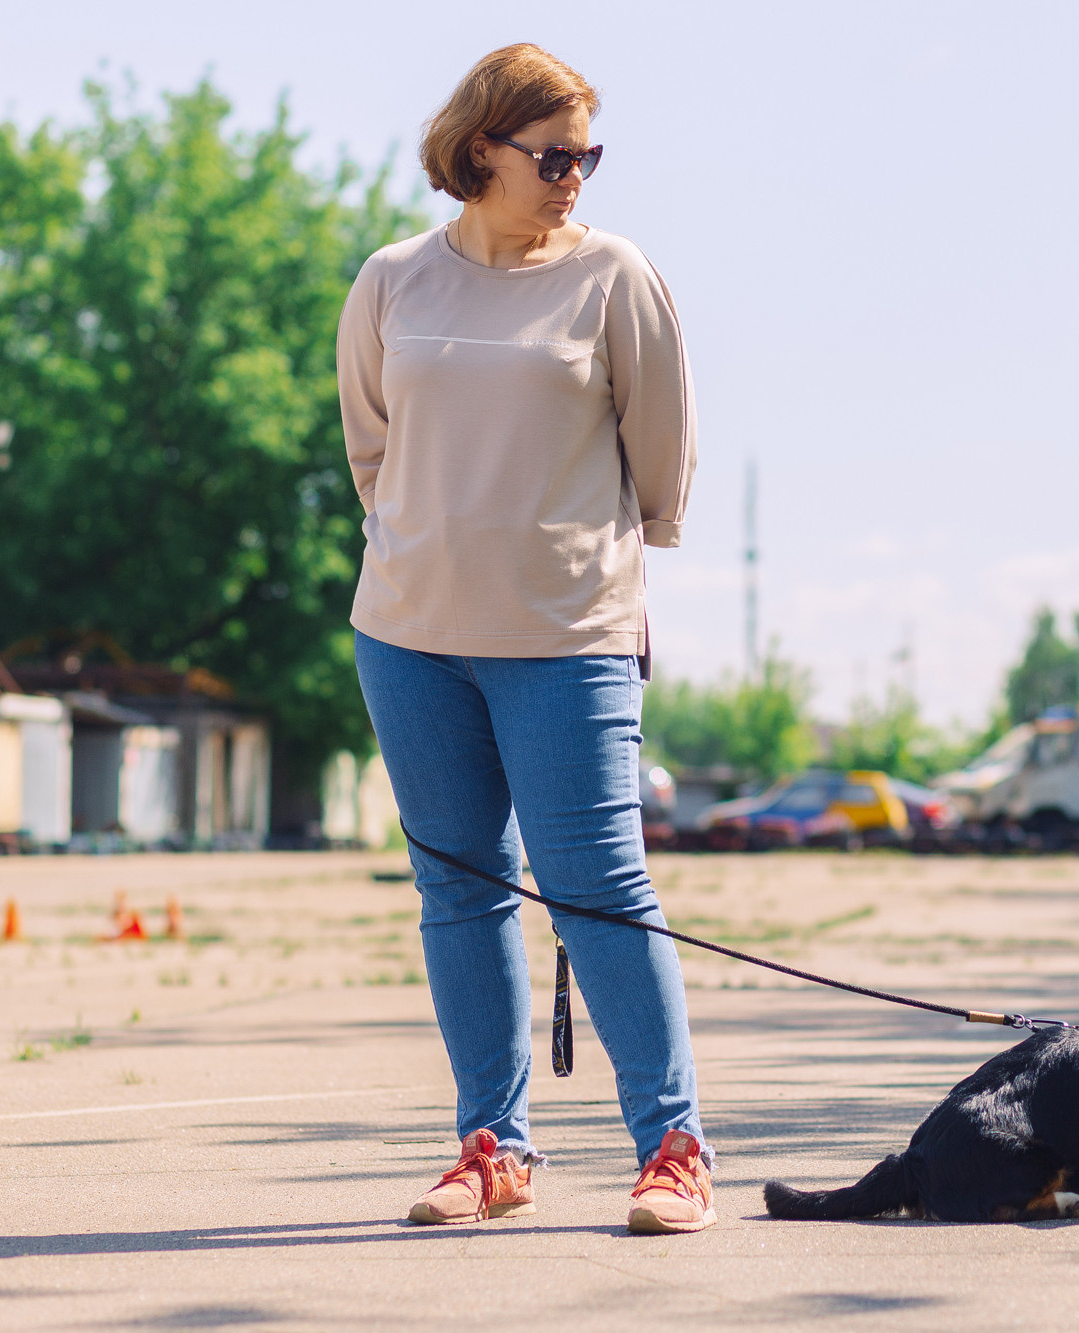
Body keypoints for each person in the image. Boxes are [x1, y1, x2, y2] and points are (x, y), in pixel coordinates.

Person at [336, 42, 711, 1234]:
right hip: (409, 632)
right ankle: (491, 1146)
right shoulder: (392, 282)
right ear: (480, 150)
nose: (574, 179)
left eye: (588, 156)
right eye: (554, 156)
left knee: (598, 889)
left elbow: (662, 454)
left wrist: (598, 564)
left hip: (566, 635)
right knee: (459, 893)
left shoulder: (613, 275)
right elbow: (371, 451)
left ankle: (674, 1151)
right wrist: (427, 543)